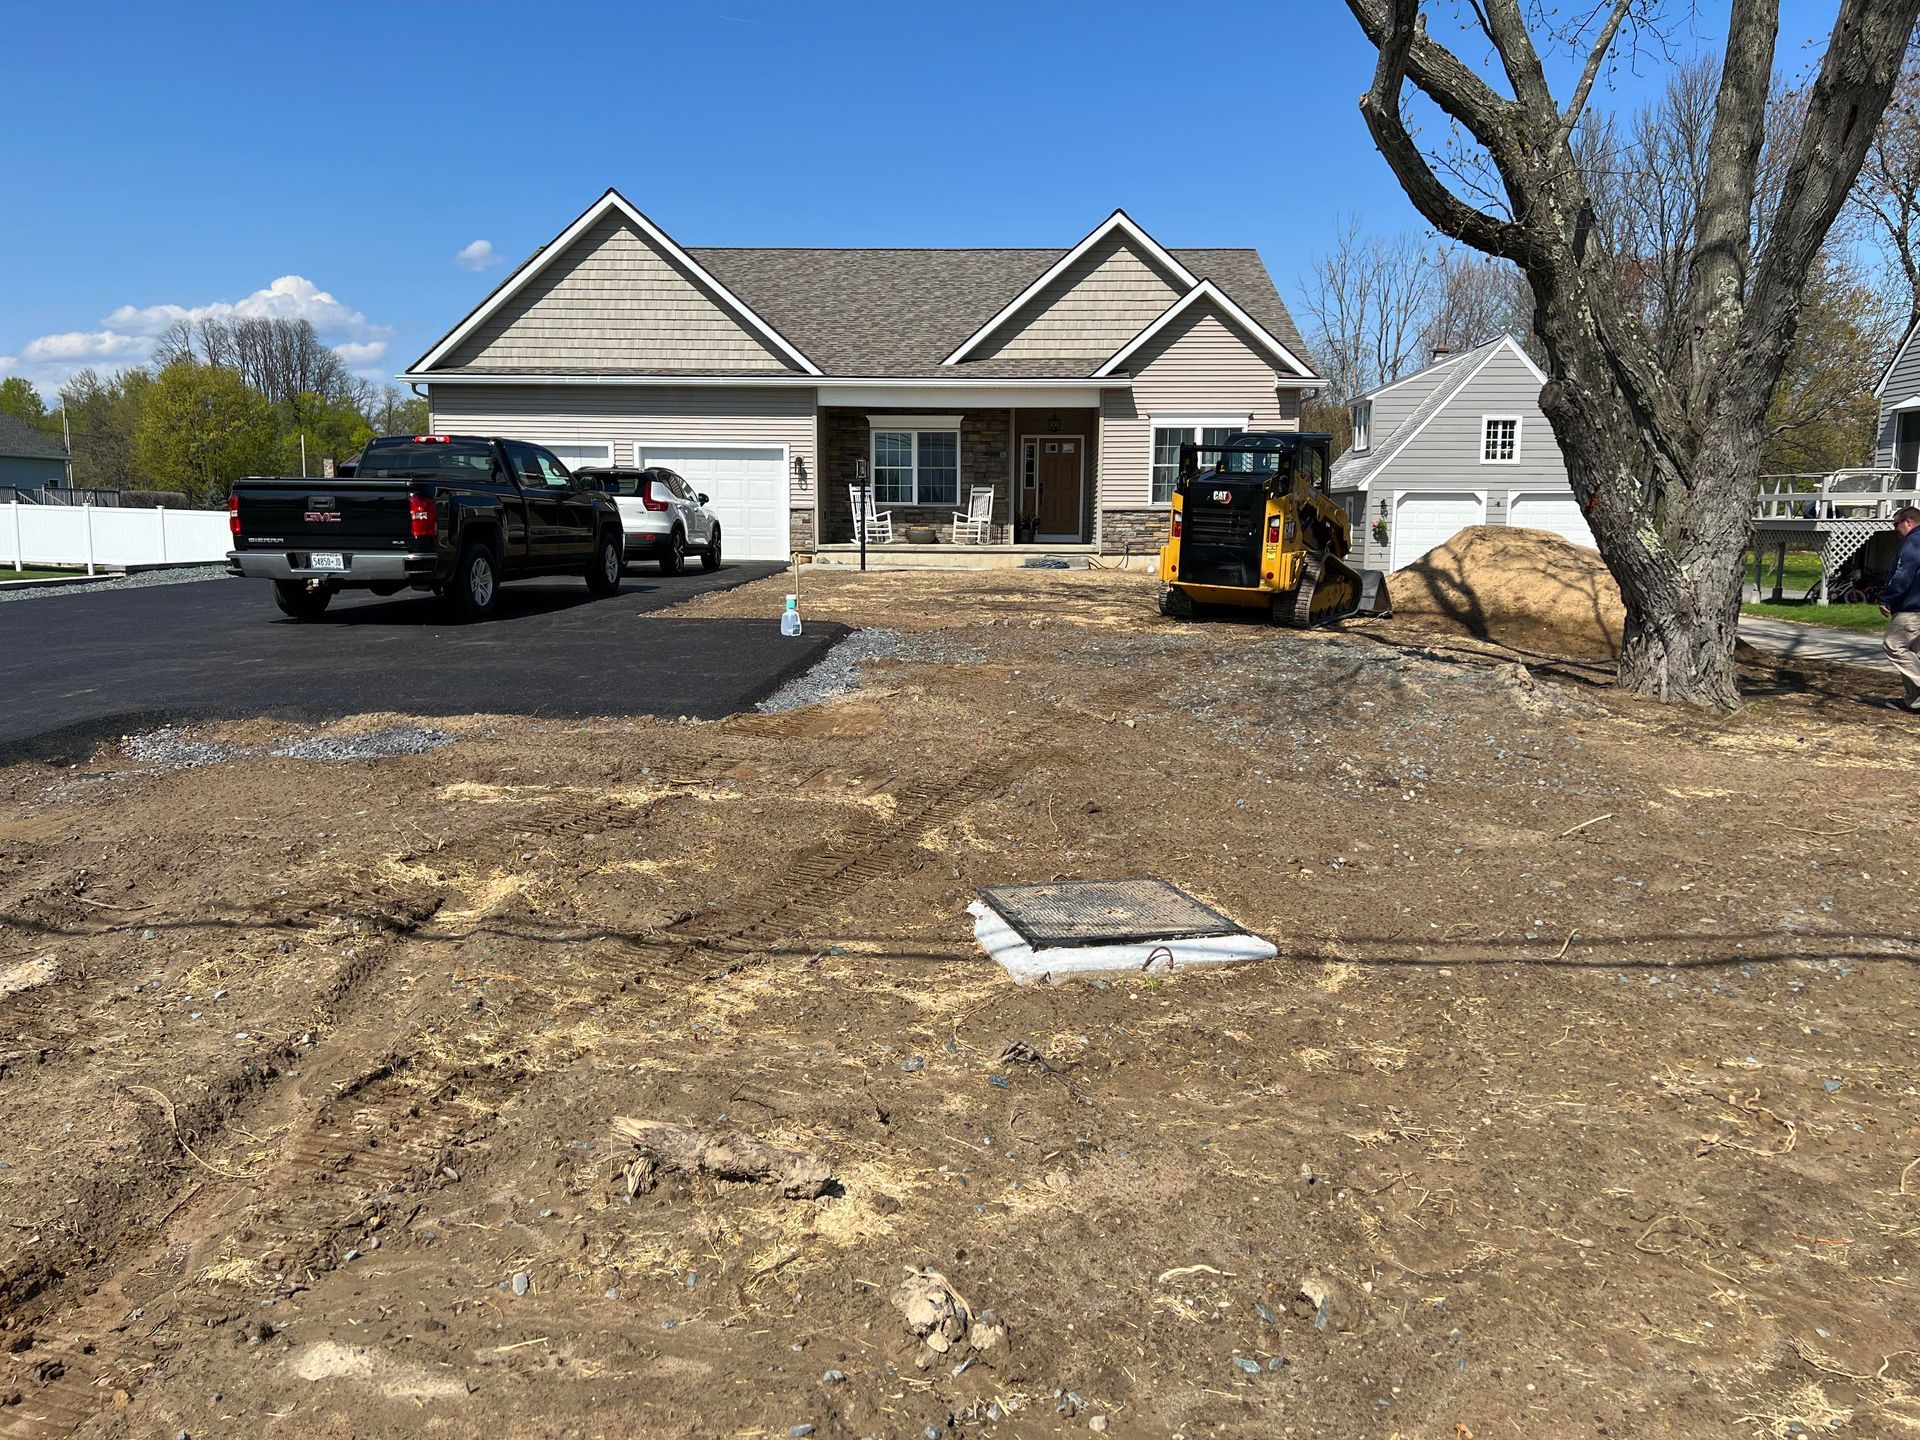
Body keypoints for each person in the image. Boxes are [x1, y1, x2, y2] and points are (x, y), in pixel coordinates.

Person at [1882, 505, 1920, 712]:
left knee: (1893, 646)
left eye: (1896, 524)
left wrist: (1886, 597)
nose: (1895, 528)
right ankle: (1914, 701)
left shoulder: (1914, 543)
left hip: (1912, 608)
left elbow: (1903, 575)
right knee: (1912, 653)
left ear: (1908, 522)